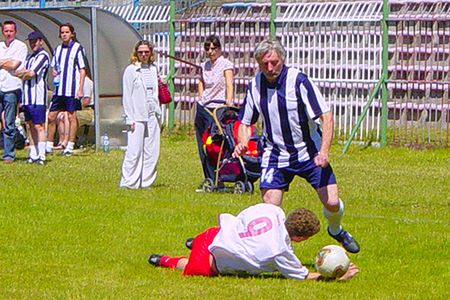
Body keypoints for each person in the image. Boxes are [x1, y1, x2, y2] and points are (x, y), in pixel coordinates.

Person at [232, 38, 360, 254]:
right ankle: (276, 251)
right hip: (275, 155)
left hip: (309, 153)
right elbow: (245, 122)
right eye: (265, 64)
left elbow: (325, 116)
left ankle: (336, 230)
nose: (270, 68)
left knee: (331, 202)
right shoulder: (255, 85)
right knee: (269, 208)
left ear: (282, 59)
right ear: (258, 64)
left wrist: (324, 152)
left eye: (274, 62)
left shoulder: (298, 81)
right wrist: (243, 142)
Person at [148, 203, 359, 281]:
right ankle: (162, 259)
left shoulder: (273, 210)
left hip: (214, 232)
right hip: (211, 259)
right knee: (189, 265)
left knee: (226, 236)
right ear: (300, 238)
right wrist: (335, 277)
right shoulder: (279, 251)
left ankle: (195, 242)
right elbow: (304, 276)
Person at [120, 40, 161, 189]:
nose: (143, 55)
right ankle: (129, 181)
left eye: (146, 52)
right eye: (140, 52)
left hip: (152, 112)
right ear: (136, 53)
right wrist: (129, 117)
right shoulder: (131, 70)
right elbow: (127, 95)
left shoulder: (154, 69)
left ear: (150, 53)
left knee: (152, 150)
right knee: (134, 150)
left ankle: (146, 181)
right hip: (137, 115)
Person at [195, 35, 234, 191]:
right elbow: (201, 81)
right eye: (207, 49)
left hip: (218, 108)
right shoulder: (204, 65)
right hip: (203, 107)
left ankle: (220, 177)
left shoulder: (225, 64)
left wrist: (228, 102)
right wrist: (201, 96)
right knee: (203, 145)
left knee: (215, 145)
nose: (210, 52)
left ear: (219, 49)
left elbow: (229, 84)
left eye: (213, 48)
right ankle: (209, 178)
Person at [46, 23, 87, 156]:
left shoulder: (77, 48)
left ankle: (70, 144)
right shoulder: (57, 49)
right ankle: (48, 144)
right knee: (52, 116)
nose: (64, 34)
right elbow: (54, 66)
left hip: (71, 89)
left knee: (71, 116)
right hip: (59, 90)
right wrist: (54, 72)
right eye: (62, 32)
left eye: (67, 32)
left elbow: (82, 69)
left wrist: (80, 88)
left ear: (72, 34)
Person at [15, 31, 50, 165]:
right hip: (27, 97)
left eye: (35, 41)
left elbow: (31, 73)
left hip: (38, 97)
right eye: (31, 41)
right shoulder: (29, 57)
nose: (33, 44)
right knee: (29, 125)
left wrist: (23, 74)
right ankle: (33, 153)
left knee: (39, 126)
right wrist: (24, 73)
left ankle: (42, 155)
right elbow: (20, 71)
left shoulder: (43, 56)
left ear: (40, 41)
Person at [0, 20, 27, 163]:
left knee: (9, 122)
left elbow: (15, 64)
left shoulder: (21, 46)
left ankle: (9, 154)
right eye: (6, 31)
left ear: (15, 32)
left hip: (12, 87)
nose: (8, 33)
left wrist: (5, 62)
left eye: (11, 31)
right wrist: (7, 61)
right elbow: (9, 63)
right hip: (0, 85)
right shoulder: (0, 46)